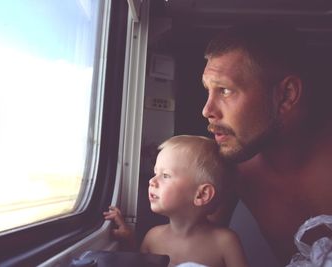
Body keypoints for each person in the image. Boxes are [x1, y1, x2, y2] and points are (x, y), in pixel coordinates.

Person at [201, 21, 332, 264]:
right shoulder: (233, 168)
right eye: (208, 90)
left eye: (225, 90)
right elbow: (194, 241)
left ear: (286, 95)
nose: (207, 110)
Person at [103, 135, 248, 267]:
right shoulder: (153, 238)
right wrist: (128, 240)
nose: (152, 181)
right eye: (155, 173)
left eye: (165, 175)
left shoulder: (225, 243)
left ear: (202, 195)